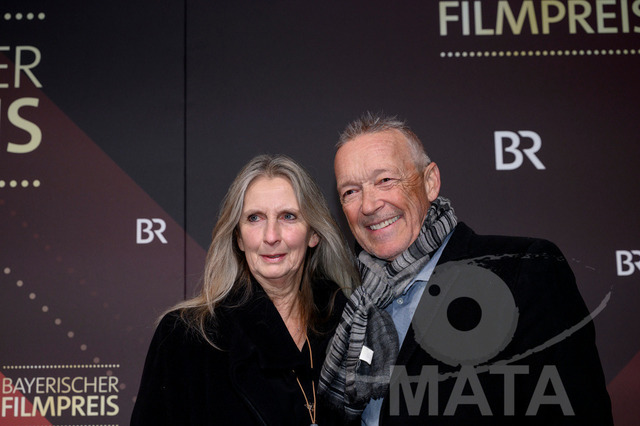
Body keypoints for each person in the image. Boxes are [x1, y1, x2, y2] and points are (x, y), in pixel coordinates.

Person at [319, 113, 613, 425]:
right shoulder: (347, 307)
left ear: (430, 182)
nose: (368, 205)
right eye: (350, 191)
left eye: (385, 180)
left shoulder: (523, 271)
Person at [131, 154, 360, 425]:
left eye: (288, 216)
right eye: (254, 218)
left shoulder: (353, 327)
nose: (271, 236)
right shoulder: (184, 338)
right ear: (238, 237)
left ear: (313, 234)